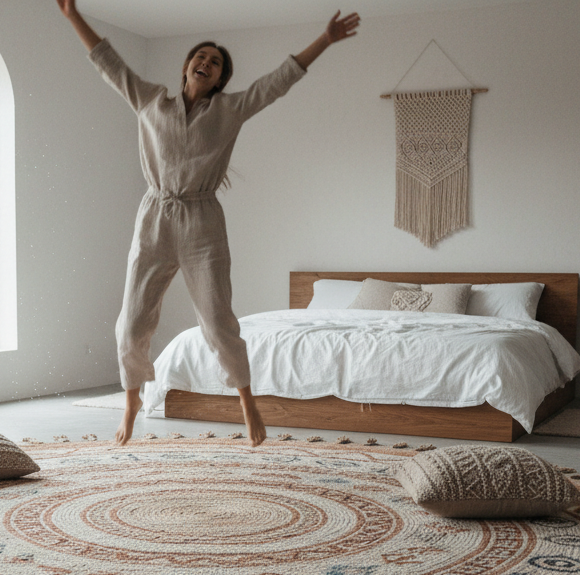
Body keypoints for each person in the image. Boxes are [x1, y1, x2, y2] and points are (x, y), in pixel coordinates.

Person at [57, 0, 360, 446]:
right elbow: (109, 62)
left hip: (202, 221)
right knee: (132, 321)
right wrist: (72, 16)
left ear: (220, 79)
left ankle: (247, 402)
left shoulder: (230, 111)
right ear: (186, 68)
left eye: (215, 63)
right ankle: (130, 402)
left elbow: (277, 83)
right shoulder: (149, 100)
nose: (206, 63)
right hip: (155, 216)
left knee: (217, 322)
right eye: (201, 57)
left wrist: (325, 41)